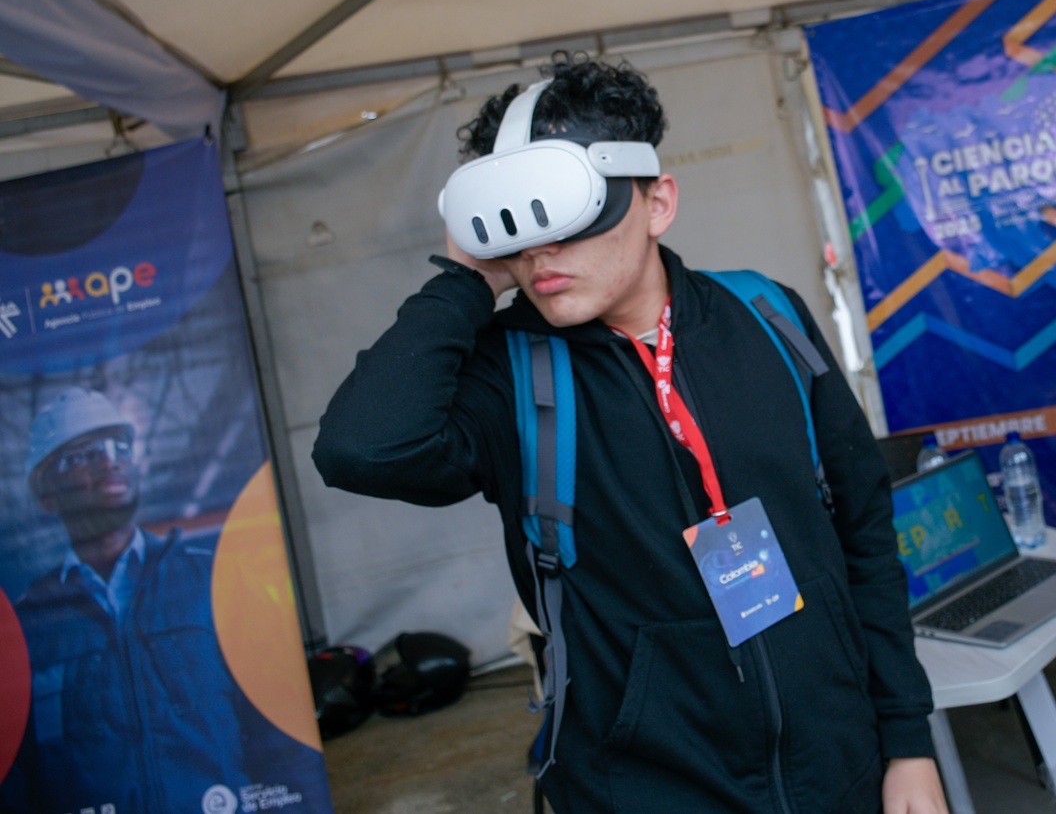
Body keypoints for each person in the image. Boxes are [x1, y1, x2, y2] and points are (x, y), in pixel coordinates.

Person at [312, 54, 946, 814]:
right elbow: (360, 448)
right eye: (517, 224)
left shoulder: (768, 317)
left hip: (837, 769)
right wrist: (466, 282)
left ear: (657, 202)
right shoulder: (508, 374)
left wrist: (907, 741)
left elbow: (865, 534)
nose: (540, 252)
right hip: (641, 789)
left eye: (567, 213)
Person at [2, 387, 328, 814]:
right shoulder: (26, 627)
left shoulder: (215, 581)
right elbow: (13, 776)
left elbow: (282, 734)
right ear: (47, 494)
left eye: (119, 447)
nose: (110, 460)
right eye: (85, 454)